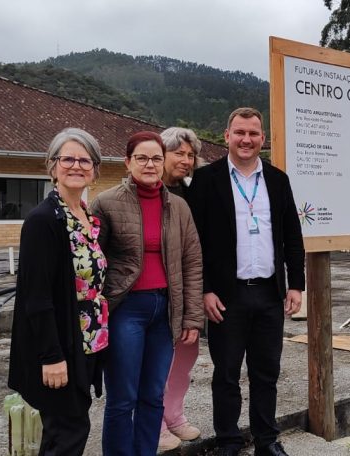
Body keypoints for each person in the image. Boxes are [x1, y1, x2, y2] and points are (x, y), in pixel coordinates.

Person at [187, 107, 305, 456]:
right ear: (227, 136)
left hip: (269, 294)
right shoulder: (206, 181)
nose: (246, 139)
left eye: (253, 134)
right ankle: (228, 441)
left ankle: (267, 440)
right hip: (226, 296)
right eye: (239, 132)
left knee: (266, 373)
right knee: (226, 375)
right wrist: (205, 288)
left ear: (262, 139)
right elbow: (195, 242)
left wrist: (295, 283)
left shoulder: (278, 179)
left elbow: (292, 237)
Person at [91, 131, 203, 455]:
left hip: (165, 311)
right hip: (126, 309)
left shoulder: (179, 207)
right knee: (123, 397)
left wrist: (191, 316)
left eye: (156, 158)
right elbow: (93, 262)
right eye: (142, 157)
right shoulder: (106, 202)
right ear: (128, 162)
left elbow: (192, 261)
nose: (150, 164)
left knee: (153, 395)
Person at [8, 128, 108, 456]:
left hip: (87, 341)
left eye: (85, 160)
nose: (76, 165)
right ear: (52, 166)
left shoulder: (88, 218)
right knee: (69, 433)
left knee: (64, 431)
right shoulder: (43, 220)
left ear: (94, 168)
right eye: (67, 158)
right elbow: (36, 298)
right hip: (61, 346)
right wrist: (51, 357)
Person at [156, 126, 204, 451]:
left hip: (190, 289)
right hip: (158, 292)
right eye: (179, 153)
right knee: (160, 360)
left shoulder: (192, 192)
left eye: (190, 155)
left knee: (187, 354)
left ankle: (174, 415)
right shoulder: (148, 191)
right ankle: (154, 421)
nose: (186, 160)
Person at [160, 127, 202, 199]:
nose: (186, 162)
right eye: (179, 154)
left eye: (190, 156)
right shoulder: (144, 189)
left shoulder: (194, 193)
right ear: (161, 154)